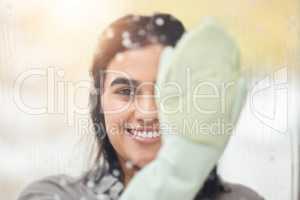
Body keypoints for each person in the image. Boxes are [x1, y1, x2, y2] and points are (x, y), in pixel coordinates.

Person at [18, 13, 264, 200]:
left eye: (165, 91)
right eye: (125, 91)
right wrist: (178, 172)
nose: (148, 112)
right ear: (99, 102)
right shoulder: (52, 195)